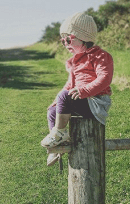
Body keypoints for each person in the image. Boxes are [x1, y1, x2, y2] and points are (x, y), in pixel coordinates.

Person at [40, 12, 114, 166]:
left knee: (64, 97)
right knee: (52, 111)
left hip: (96, 102)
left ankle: (60, 133)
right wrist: (56, 101)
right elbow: (69, 84)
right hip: (81, 99)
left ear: (85, 38)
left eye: (69, 39)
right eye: (62, 41)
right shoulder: (76, 61)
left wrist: (84, 90)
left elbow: (104, 78)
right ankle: (58, 147)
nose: (66, 44)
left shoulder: (100, 56)